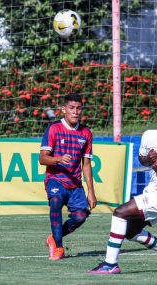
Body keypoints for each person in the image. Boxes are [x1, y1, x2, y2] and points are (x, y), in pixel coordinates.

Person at [89, 109, 157, 274]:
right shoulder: (149, 136)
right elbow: (142, 160)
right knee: (130, 231)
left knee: (119, 213)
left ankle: (110, 264)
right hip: (152, 191)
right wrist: (148, 160)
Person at [39, 93, 97, 260]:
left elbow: (86, 165)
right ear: (63, 109)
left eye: (79, 108)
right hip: (55, 179)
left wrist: (91, 192)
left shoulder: (86, 133)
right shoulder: (54, 128)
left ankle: (53, 238)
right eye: (71, 108)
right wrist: (58, 159)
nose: (75, 112)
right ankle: (58, 247)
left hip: (75, 184)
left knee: (80, 217)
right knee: (56, 201)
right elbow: (43, 159)